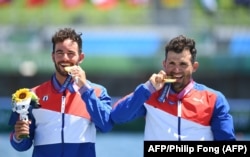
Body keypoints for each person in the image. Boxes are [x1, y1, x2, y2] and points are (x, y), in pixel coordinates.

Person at [8, 28, 113, 157]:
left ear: (81, 57)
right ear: (53, 56)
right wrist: (18, 137)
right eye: (59, 53)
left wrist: (85, 89)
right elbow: (21, 145)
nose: (65, 58)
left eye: (70, 53)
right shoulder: (31, 96)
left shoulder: (97, 92)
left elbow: (106, 125)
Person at [111, 35, 236, 141]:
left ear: (194, 67)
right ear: (164, 64)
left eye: (183, 64)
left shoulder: (214, 99)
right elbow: (117, 116)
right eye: (171, 63)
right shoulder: (149, 93)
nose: (176, 70)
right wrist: (147, 88)